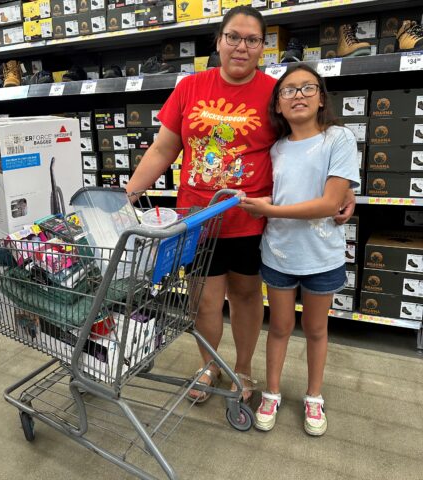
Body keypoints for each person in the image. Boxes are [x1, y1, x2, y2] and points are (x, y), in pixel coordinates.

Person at [126, 6, 354, 404]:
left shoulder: (274, 93)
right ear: (218, 41)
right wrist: (127, 193)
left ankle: (243, 369)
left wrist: (345, 190)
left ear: (262, 47)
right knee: (204, 300)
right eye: (233, 37)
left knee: (246, 296)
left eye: (251, 40)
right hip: (197, 218)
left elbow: (308, 141)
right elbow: (163, 148)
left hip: (253, 219)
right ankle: (208, 365)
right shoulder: (190, 87)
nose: (241, 47)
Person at [238, 64, 360, 436]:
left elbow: (328, 204)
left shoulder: (338, 138)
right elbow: (293, 192)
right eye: (288, 91)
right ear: (277, 105)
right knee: (278, 326)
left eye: (308, 88)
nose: (299, 95)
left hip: (322, 255)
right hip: (279, 253)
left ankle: (313, 396)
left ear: (322, 97)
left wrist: (269, 210)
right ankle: (272, 392)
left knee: (316, 329)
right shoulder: (275, 149)